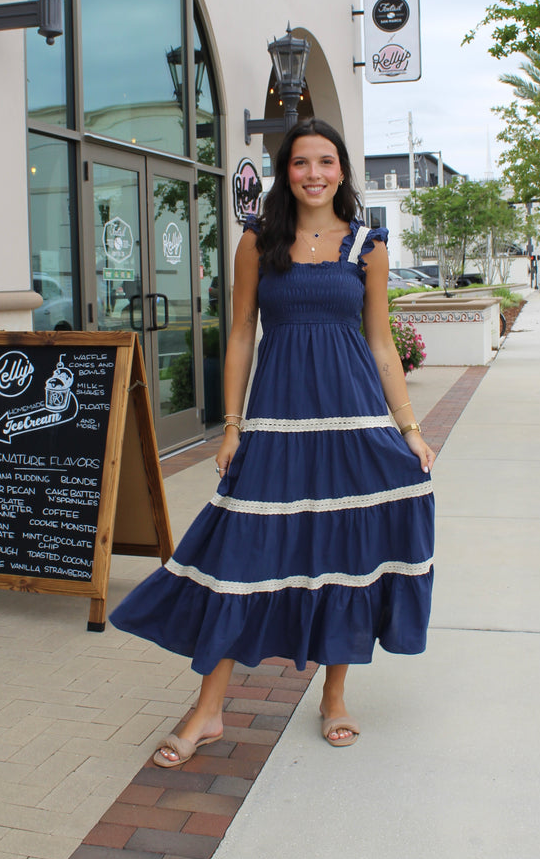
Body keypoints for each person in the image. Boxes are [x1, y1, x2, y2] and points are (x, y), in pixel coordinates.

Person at [110, 118, 436, 764]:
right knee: (241, 556)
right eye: (300, 162)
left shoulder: (369, 245)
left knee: (349, 555)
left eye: (326, 161)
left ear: (342, 170)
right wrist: (230, 426)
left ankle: (335, 697)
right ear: (285, 171)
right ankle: (208, 712)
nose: (314, 173)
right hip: (276, 424)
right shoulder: (259, 241)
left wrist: (411, 430)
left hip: (352, 426)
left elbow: (380, 343)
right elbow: (239, 337)